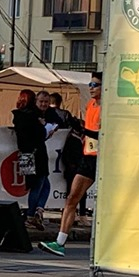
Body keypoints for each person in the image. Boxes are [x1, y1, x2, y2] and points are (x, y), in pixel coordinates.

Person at [40, 72, 102, 256]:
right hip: (88, 157)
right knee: (71, 198)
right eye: (90, 84)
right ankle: (60, 242)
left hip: (104, 158)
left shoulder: (107, 107)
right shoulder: (90, 105)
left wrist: (84, 130)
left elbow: (103, 133)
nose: (91, 88)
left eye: (95, 85)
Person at [12, 89, 55, 231]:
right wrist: (43, 127)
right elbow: (39, 135)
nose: (43, 104)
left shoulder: (20, 115)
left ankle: (38, 211)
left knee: (43, 184)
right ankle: (32, 214)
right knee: (39, 185)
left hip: (26, 154)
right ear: (34, 101)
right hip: (37, 154)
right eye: (41, 101)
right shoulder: (33, 117)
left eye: (46, 102)